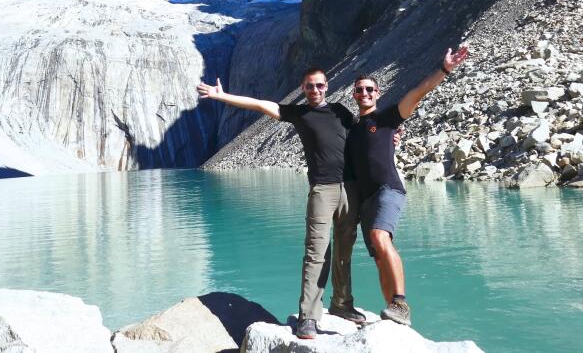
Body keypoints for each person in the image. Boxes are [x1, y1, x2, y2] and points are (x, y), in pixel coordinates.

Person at [198, 67, 367, 340]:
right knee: (317, 252)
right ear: (303, 88)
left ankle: (342, 304)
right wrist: (222, 96)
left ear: (327, 86)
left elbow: (363, 138)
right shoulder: (299, 114)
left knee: (345, 249)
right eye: (310, 86)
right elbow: (261, 105)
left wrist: (391, 138)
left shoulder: (341, 112)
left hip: (350, 188)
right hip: (322, 190)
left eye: (320, 85)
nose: (315, 90)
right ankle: (308, 317)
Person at [346, 45, 469, 326]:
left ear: (377, 93)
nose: (364, 94)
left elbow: (417, 94)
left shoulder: (387, 117)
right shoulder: (352, 129)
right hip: (365, 200)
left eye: (369, 90)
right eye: (359, 90)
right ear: (354, 95)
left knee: (380, 237)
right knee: (378, 256)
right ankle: (392, 312)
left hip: (388, 189)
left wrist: (445, 69)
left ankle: (401, 303)